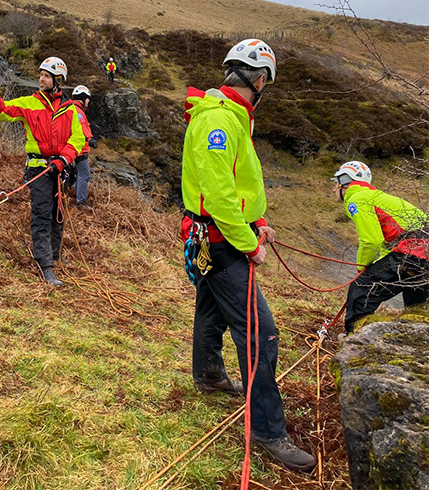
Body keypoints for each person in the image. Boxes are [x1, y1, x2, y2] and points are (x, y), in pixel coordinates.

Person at [180, 38, 316, 472]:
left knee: (211, 310)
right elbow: (219, 197)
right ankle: (267, 431)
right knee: (261, 334)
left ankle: (208, 375)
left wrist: (255, 222)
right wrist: (250, 244)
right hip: (222, 242)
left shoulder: (229, 118)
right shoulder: (220, 121)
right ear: (259, 80)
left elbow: (233, 187)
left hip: (220, 237)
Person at [0, 57, 85, 286]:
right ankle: (45, 266)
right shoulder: (29, 103)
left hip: (59, 170)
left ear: (58, 80)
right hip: (39, 170)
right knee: (42, 216)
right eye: (41, 75)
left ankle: (56, 256)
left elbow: (78, 139)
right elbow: (4, 111)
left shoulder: (69, 109)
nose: (41, 79)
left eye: (46, 75)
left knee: (59, 215)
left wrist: (63, 159)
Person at [331, 161, 428, 332]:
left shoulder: (357, 199)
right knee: (416, 305)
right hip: (421, 253)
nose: (332, 189)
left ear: (343, 182)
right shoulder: (378, 197)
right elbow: (388, 244)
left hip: (412, 251)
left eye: (334, 184)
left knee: (362, 288)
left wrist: (362, 268)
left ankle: (353, 340)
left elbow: (371, 241)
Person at [70, 85, 97, 209]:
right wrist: (90, 140)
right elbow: (81, 128)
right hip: (79, 149)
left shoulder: (73, 109)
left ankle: (74, 196)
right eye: (88, 99)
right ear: (83, 98)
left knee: (75, 174)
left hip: (74, 148)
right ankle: (81, 202)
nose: (89, 102)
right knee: (84, 174)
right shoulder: (78, 112)